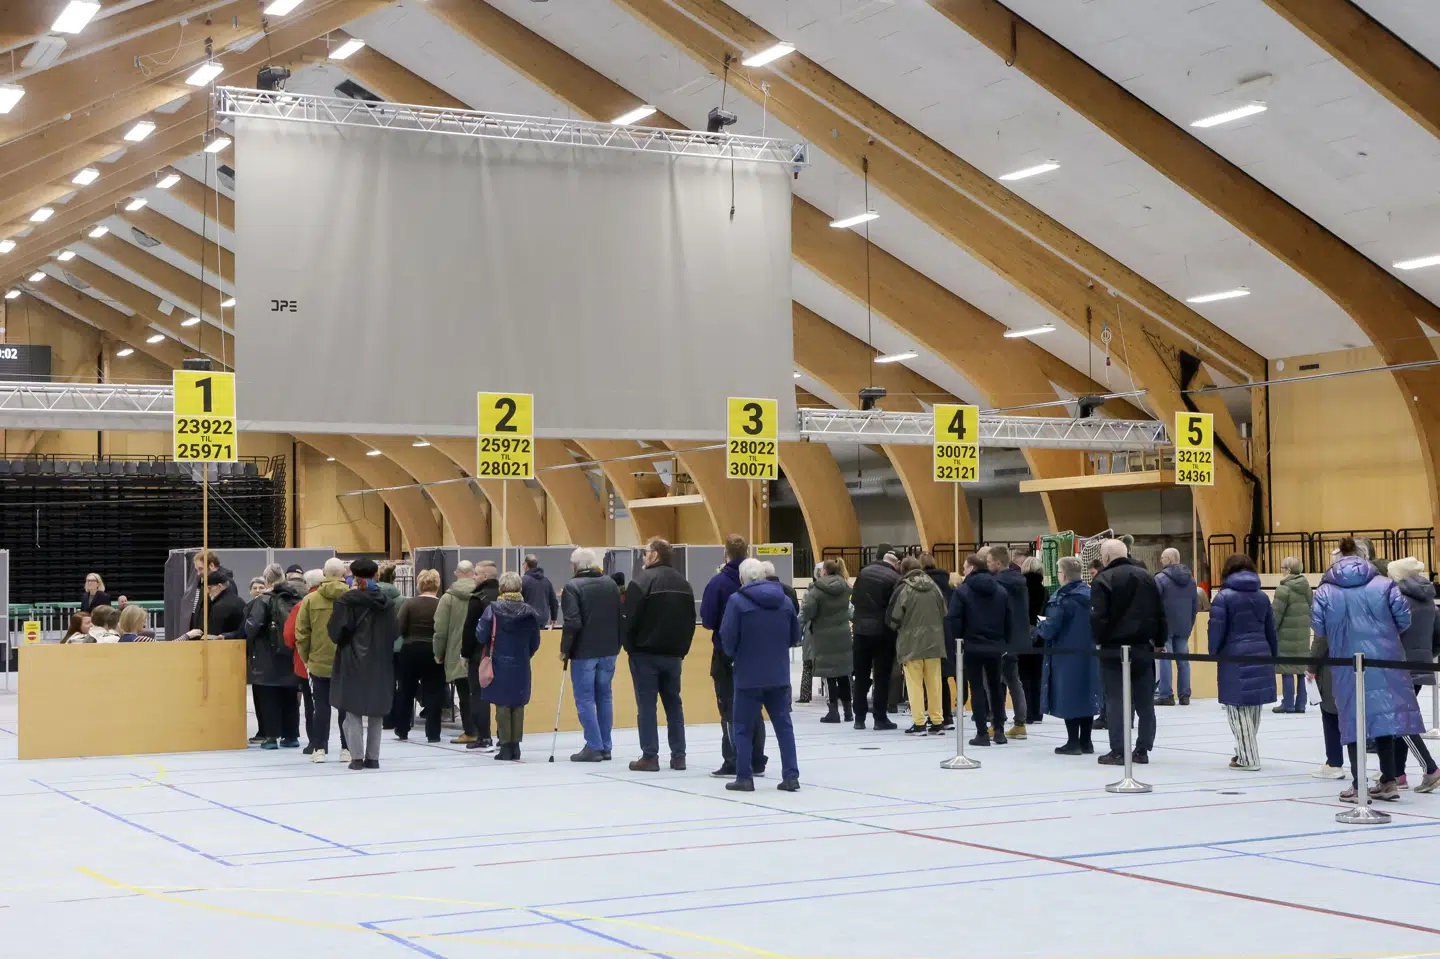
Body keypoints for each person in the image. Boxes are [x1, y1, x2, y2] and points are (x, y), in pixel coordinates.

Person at [1310, 536, 1425, 803]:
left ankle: (1358, 783)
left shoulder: (1326, 589)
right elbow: (1404, 618)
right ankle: (1388, 780)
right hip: (1385, 659)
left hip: (1347, 661)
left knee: (1351, 719)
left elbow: (1319, 626)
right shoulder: (1385, 585)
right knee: (1383, 716)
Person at [719, 558, 802, 792]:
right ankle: (791, 776)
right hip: (778, 675)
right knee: (784, 727)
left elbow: (728, 638)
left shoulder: (736, 601)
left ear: (742, 578)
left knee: (743, 728)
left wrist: (736, 655)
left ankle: (744, 777)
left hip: (747, 676)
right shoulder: (785, 601)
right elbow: (795, 637)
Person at [623, 538, 695, 772]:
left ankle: (650, 756)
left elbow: (629, 620)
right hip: (673, 655)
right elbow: (690, 621)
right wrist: (682, 649)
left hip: (645, 654)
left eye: (645, 553)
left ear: (654, 555)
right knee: (674, 704)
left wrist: (630, 647)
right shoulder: (684, 583)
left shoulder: (640, 582)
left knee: (646, 706)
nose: (643, 558)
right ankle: (679, 756)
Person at [1090, 539, 1165, 766]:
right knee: (1145, 702)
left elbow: (1098, 616)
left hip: (1113, 649)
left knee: (1116, 701)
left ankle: (1119, 750)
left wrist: (1099, 641)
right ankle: (1142, 749)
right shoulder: (1147, 576)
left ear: (1105, 557)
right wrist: (1160, 640)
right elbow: (1160, 613)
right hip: (1143, 647)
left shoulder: (1103, 579)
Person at [701, 534, 767, 778]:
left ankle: (733, 759)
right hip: (756, 652)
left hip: (726, 652)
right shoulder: (761, 584)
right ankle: (757, 759)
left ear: (725, 553)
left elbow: (707, 620)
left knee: (728, 707)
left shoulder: (718, 583)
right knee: (755, 706)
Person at [1209, 554, 1278, 771]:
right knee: (1253, 705)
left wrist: (1214, 652)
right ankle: (1243, 751)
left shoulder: (1223, 597)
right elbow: (1271, 630)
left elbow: (1216, 629)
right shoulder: (1262, 596)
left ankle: (1249, 757)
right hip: (1261, 651)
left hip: (1234, 655)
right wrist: (1273, 654)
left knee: (1237, 708)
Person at [328, 558, 399, 771]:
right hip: (380, 661)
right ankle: (373, 758)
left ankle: (356, 758)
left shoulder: (346, 601)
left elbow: (335, 632)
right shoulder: (387, 603)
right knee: (376, 712)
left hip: (352, 660)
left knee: (352, 710)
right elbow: (395, 633)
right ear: (376, 575)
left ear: (353, 576)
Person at [561, 548, 623, 762]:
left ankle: (593, 746)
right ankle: (605, 745)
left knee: (585, 699)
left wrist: (565, 650)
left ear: (577, 565)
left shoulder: (572, 587)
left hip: (584, 652)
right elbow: (620, 616)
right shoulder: (610, 584)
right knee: (605, 696)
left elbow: (572, 622)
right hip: (609, 650)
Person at [476, 570, 543, 761]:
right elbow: (535, 642)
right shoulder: (530, 612)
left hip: (498, 662)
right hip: (521, 663)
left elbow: (481, 634)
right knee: (518, 704)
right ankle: (515, 746)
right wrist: (524, 654)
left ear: (502, 588)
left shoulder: (493, 609)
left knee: (502, 705)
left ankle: (505, 746)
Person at [1386, 557, 1440, 792]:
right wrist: (1425, 655)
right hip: (1420, 664)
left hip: (1398, 665)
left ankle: (1430, 768)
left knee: (1400, 721)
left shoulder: (1398, 599)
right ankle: (1399, 773)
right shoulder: (1429, 600)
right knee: (1402, 717)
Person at [948, 553, 1013, 746]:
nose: (963, 570)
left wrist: (957, 640)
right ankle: (999, 730)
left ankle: (982, 733)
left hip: (971, 645)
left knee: (976, 688)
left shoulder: (962, 591)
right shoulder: (1000, 590)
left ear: (973, 568)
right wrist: (1005, 641)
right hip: (995, 645)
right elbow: (1008, 618)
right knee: (996, 687)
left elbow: (954, 619)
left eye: (965, 567)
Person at [1038, 556, 1101, 754]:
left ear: (1063, 575)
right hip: (1089, 653)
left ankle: (1072, 741)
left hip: (1065, 653)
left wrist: (1040, 626)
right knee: (1086, 693)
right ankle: (1086, 741)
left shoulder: (1061, 598)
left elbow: (1051, 628)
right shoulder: (1092, 594)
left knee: (1068, 695)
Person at [242, 564, 304, 749]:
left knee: (268, 696)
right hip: (289, 653)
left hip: (267, 656)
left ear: (267, 580)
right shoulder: (294, 598)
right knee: (290, 696)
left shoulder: (263, 600)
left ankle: (271, 737)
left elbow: (252, 627)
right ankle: (291, 736)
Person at [295, 558, 350, 762]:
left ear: (325, 575)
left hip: (318, 661)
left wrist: (307, 657)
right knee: (346, 707)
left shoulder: (310, 600)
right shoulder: (353, 598)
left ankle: (319, 749)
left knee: (321, 706)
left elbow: (301, 633)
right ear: (343, 574)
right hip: (347, 662)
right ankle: (347, 749)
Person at [887, 556, 948, 734]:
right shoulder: (934, 587)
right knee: (934, 684)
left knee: (914, 684)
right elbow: (944, 611)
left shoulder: (904, 589)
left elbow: (894, 618)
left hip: (911, 644)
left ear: (903, 571)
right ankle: (937, 721)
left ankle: (919, 722)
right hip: (934, 642)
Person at [850, 546, 902, 731]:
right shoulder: (895, 578)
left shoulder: (863, 573)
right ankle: (880, 717)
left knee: (861, 674)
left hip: (861, 631)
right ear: (895, 563)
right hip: (883, 632)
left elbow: (854, 599)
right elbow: (895, 607)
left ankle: (859, 717)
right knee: (882, 676)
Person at [394, 568, 445, 743]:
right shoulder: (441, 604)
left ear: (419, 584)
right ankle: (433, 733)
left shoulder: (409, 604)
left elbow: (399, 627)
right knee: (434, 691)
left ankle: (402, 729)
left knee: (406, 690)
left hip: (410, 650)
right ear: (437, 585)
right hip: (434, 651)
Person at [434, 561, 481, 746]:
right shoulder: (482, 594)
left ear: (457, 573)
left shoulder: (448, 598)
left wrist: (438, 652)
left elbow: (440, 630)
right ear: (472, 573)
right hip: (481, 651)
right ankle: (484, 729)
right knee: (480, 693)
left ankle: (470, 731)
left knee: (464, 694)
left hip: (457, 653)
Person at [801, 559, 853, 724]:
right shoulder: (846, 587)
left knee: (829, 674)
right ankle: (848, 711)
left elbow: (808, 612)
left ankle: (833, 712)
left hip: (823, 636)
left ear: (824, 571)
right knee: (843, 673)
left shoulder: (816, 590)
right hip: (843, 635)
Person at [988, 545, 1030, 739]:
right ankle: (1020, 723)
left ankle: (997, 723)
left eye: (989, 562)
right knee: (1013, 680)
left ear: (997, 562)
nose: (987, 566)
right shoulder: (1021, 581)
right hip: (1019, 637)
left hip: (1001, 638)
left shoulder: (996, 584)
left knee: (995, 682)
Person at [460, 561, 502, 751]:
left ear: (485, 577)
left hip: (481, 654)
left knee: (478, 695)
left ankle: (484, 736)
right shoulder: (505, 596)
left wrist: (465, 654)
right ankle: (505, 737)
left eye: (476, 574)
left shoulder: (478, 598)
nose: (473, 577)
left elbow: (469, 629)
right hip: (504, 653)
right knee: (504, 696)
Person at [1154, 548, 1199, 706]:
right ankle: (1184, 695)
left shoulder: (1160, 579)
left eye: (1162, 557)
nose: (1161, 560)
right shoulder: (1191, 579)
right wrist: (1190, 623)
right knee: (1183, 660)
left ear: (1170, 559)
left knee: (1165, 659)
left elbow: (1155, 605)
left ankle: (1166, 695)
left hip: (1165, 625)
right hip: (1184, 625)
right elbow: (1195, 604)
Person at [284, 569, 324, 752]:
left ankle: (316, 743)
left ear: (308, 585)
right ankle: (345, 746)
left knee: (311, 702)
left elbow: (289, 635)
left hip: (307, 662)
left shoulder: (303, 605)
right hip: (337, 661)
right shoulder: (340, 601)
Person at [921, 554, 959, 726]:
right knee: (942, 677)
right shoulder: (949, 585)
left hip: (930, 635)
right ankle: (947, 715)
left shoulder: (923, 585)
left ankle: (933, 713)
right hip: (948, 634)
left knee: (929, 677)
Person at [1272, 556, 1313, 714]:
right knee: (1301, 668)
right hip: (1302, 633)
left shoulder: (1283, 589)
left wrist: (1272, 630)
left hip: (1286, 635)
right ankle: (1301, 704)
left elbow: (1276, 615)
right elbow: (1311, 607)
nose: (1281, 571)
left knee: (1287, 668)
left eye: (1282, 568)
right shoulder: (1306, 587)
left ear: (1288, 570)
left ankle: (1287, 703)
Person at [1307, 631, 1347, 780]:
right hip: (1357, 666)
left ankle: (1334, 763)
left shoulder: (1328, 609)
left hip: (1333, 667)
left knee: (1330, 714)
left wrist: (1311, 667)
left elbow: (1320, 641)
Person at [1019, 556, 1047, 725]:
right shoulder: (1045, 591)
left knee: (1023, 675)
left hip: (1022, 634)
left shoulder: (1020, 589)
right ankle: (1038, 712)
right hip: (1039, 635)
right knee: (1037, 675)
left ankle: (1026, 711)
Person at [522, 555, 559, 626]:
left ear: (526, 565)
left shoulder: (523, 580)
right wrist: (554, 618)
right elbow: (554, 601)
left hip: (528, 618)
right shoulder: (546, 581)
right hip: (543, 619)